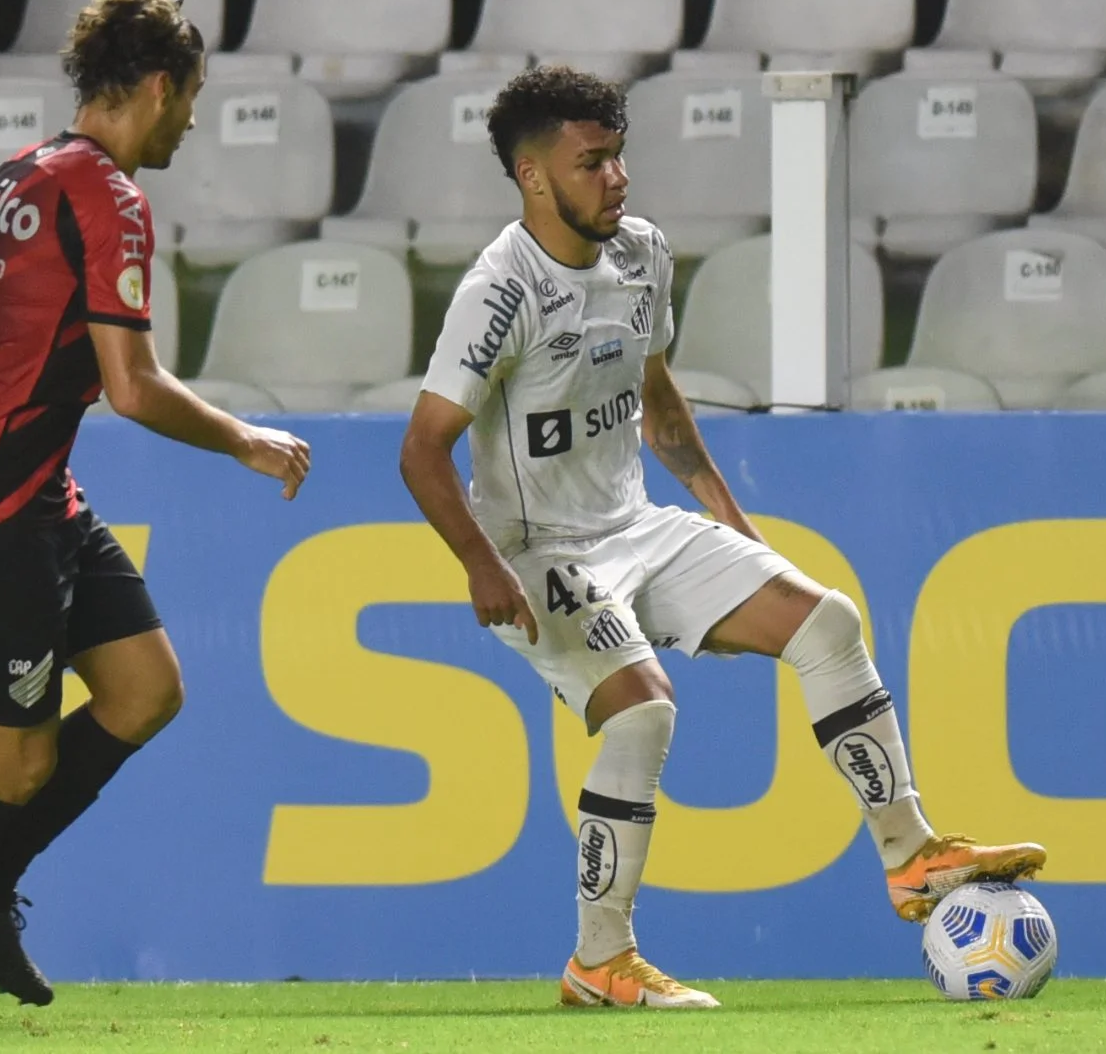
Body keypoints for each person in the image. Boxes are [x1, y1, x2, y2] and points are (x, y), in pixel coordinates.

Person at [399, 66, 1047, 1010]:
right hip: (541, 552)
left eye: (620, 156)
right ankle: (600, 959)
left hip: (636, 527)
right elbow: (422, 451)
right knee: (642, 711)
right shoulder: (499, 294)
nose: (617, 178)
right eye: (593, 163)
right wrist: (480, 563)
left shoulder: (643, 255)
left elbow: (657, 402)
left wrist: (722, 514)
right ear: (534, 177)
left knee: (827, 622)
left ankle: (911, 856)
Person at [0, 0, 311, 1026]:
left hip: (26, 495)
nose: (190, 118)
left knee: (144, 688)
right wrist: (244, 439)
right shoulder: (111, 197)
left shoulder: (20, 174)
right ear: (154, 86)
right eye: (188, 97)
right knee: (14, 759)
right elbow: (131, 386)